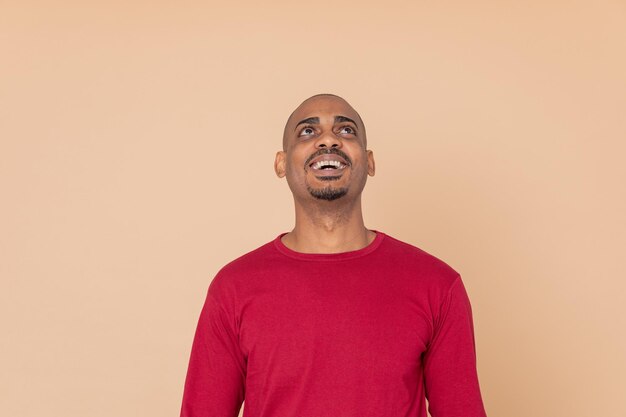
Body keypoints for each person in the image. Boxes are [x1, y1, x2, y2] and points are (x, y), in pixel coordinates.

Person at [180, 94, 488, 417]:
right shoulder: (232, 290)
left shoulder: (438, 287)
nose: (328, 140)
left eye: (346, 131)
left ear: (369, 162)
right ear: (281, 163)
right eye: (308, 132)